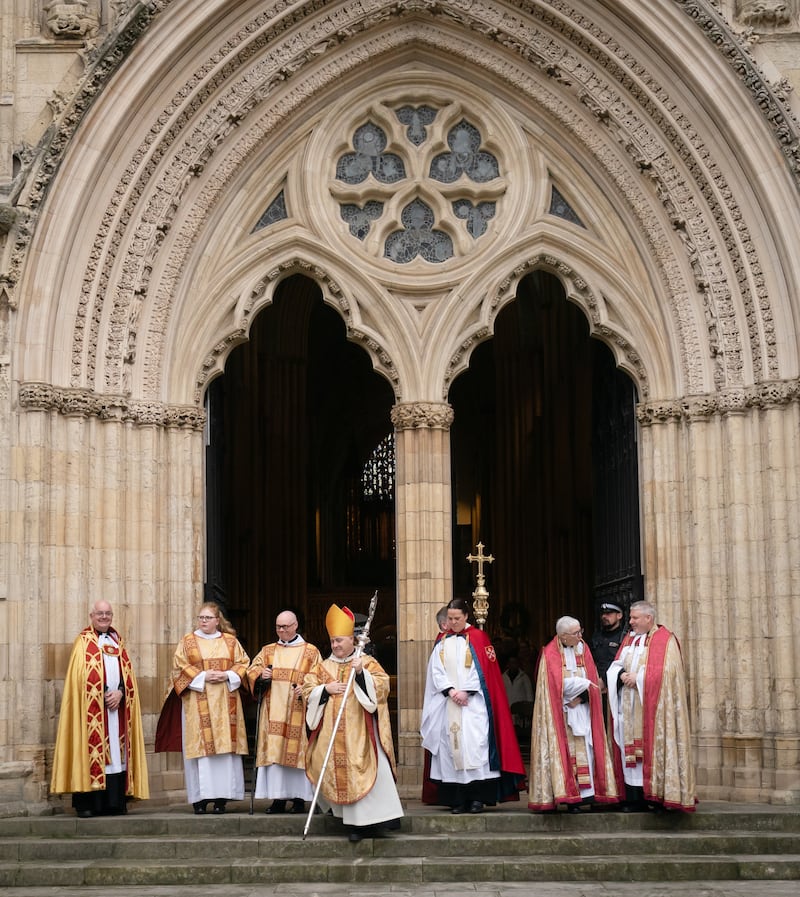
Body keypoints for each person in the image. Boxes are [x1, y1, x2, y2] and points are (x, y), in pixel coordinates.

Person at [303, 603, 403, 842]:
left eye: (340, 641)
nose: (336, 645)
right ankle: (350, 821)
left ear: (352, 640)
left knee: (362, 770)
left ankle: (367, 824)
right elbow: (307, 690)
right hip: (333, 733)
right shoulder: (322, 668)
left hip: (362, 733)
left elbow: (382, 688)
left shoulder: (366, 663)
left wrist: (360, 674)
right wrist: (324, 689)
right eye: (333, 641)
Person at [420, 597, 526, 814]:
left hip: (473, 705)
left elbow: (486, 671)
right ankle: (457, 799)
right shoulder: (442, 640)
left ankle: (477, 798)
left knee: (475, 747)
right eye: (449, 619)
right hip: (448, 703)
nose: (452, 623)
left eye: (457, 618)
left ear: (466, 616)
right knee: (450, 748)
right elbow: (435, 671)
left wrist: (465, 691)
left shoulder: (479, 638)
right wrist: (450, 691)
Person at [50, 600, 149, 817]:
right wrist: (103, 693)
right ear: (91, 615)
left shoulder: (117, 641)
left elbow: (127, 674)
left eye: (108, 614)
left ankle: (114, 803)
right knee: (94, 752)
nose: (104, 617)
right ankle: (87, 804)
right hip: (93, 710)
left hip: (117, 709)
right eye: (100, 613)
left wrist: (121, 692)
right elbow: (80, 678)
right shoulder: (83, 642)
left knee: (116, 753)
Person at [607, 600, 696, 812]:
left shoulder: (665, 640)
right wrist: (621, 675)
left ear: (649, 618)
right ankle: (633, 798)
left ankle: (655, 797)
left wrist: (639, 678)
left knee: (650, 750)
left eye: (635, 618)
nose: (631, 622)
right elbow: (615, 666)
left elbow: (669, 673)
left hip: (653, 711)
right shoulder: (629, 639)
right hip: (628, 707)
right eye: (630, 617)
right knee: (629, 755)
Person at [527, 616, 617, 812]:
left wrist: (583, 696)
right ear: (563, 636)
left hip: (582, 709)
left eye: (580, 631)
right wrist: (574, 691)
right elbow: (551, 685)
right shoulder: (550, 653)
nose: (580, 636)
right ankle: (568, 797)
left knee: (586, 750)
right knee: (565, 753)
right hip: (562, 713)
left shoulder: (583, 648)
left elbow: (592, 678)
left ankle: (586, 796)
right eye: (576, 633)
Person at [171, 602, 250, 814]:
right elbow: (178, 667)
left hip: (226, 702)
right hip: (198, 702)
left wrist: (227, 675)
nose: (203, 621)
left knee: (223, 753)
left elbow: (243, 663)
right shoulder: (187, 642)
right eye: (201, 618)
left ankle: (221, 799)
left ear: (217, 620)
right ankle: (199, 799)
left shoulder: (231, 642)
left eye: (208, 618)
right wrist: (204, 676)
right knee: (201, 751)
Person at [245, 610, 322, 814]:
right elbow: (251, 670)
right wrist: (261, 675)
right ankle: (277, 799)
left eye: (285, 626)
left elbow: (320, 677)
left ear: (295, 625)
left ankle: (299, 799)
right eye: (278, 627)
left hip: (297, 711)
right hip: (272, 711)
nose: (281, 630)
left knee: (297, 756)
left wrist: (306, 688)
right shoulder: (268, 650)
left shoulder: (310, 652)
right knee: (275, 756)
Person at [589, 602, 628, 690]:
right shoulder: (596, 637)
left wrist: (605, 681)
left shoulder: (626, 638)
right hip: (596, 686)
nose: (604, 616)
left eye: (608, 614)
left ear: (619, 616)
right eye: (603, 614)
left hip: (617, 686)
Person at [502, 655, 534, 740]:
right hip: (507, 709)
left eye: (514, 663)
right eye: (511, 663)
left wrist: (529, 710)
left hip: (521, 713)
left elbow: (529, 694)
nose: (513, 665)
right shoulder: (503, 677)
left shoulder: (524, 677)